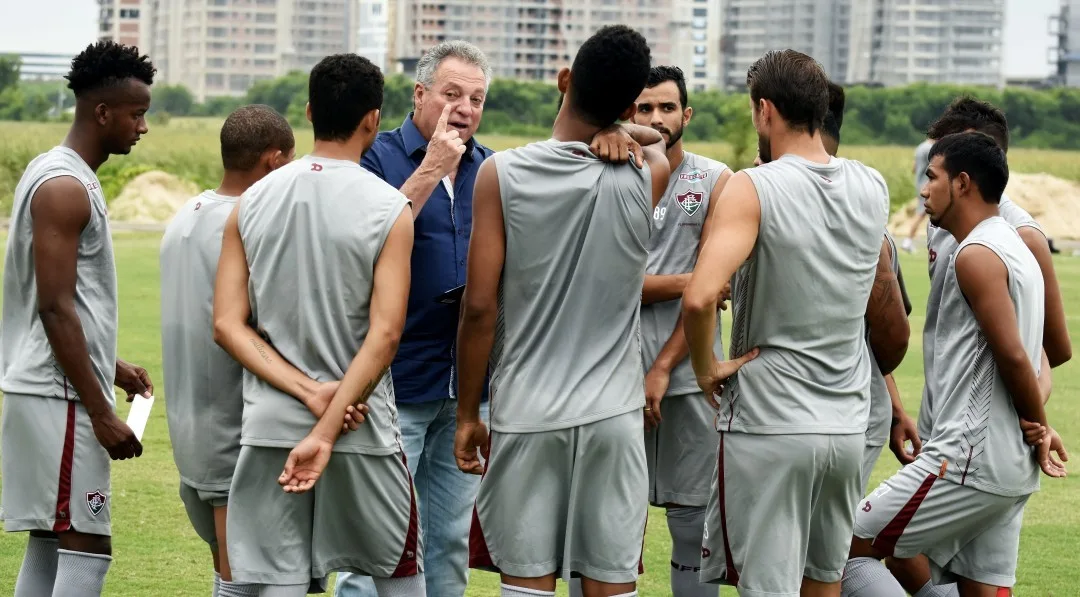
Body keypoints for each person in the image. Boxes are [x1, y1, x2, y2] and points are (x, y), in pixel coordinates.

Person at [455, 25, 738, 597]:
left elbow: (480, 306)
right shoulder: (647, 172)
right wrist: (620, 130)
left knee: (526, 582)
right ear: (630, 105)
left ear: (565, 81)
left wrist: (467, 415)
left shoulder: (500, 174)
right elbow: (658, 143)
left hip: (528, 410)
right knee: (610, 584)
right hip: (615, 414)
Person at [681, 49, 905, 597]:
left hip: (771, 420)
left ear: (764, 110)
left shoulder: (753, 186)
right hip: (848, 423)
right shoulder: (872, 185)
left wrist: (706, 367)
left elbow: (699, 296)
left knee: (767, 586)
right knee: (824, 580)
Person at [211, 54, 423, 597]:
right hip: (361, 428)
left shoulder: (249, 202)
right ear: (374, 119)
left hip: (270, 427)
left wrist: (307, 394)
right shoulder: (389, 207)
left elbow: (228, 325)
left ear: (308, 111)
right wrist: (327, 424)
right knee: (399, 576)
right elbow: (386, 336)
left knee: (277, 582)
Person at [842, 132, 1068, 597]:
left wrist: (1040, 426)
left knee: (841, 548)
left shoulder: (976, 255)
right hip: (1007, 468)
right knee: (980, 588)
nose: (923, 189)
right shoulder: (1015, 247)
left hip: (966, 461)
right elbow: (1036, 353)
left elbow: (1012, 355)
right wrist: (1036, 425)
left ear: (962, 183)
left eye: (932, 176)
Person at [336, 39, 494, 597]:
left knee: (449, 537)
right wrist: (430, 171)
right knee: (378, 539)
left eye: (476, 98)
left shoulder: (489, 168)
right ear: (420, 93)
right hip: (395, 377)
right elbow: (366, 244)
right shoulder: (376, 157)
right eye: (453, 94)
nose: (465, 109)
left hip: (466, 381)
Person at [0, 40, 156, 597]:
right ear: (102, 112)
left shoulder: (60, 172)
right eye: (137, 114)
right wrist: (100, 410)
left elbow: (61, 302)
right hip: (58, 397)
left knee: (50, 537)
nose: (142, 127)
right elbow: (53, 305)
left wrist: (109, 365)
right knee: (87, 543)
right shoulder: (64, 185)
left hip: (50, 388)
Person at [159, 104, 295, 597]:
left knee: (229, 562)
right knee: (242, 571)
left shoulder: (185, 216)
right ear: (274, 161)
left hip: (190, 421)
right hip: (233, 425)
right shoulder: (246, 226)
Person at [632, 64, 731, 597]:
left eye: (666, 107)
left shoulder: (716, 180)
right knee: (608, 522)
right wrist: (690, 281)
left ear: (685, 114)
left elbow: (711, 295)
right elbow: (608, 285)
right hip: (612, 376)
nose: (656, 117)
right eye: (644, 107)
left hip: (691, 378)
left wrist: (664, 367)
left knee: (692, 523)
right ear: (629, 113)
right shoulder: (606, 173)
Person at [902, 137, 934, 253]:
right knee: (921, 214)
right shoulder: (931, 149)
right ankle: (908, 241)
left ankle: (909, 241)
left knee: (923, 213)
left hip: (919, 183)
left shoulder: (920, 147)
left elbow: (914, 168)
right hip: (927, 185)